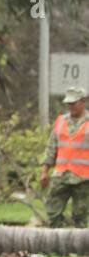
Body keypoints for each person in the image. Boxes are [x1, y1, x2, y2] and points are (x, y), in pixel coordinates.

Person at [42, 87, 89, 228]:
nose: (70, 106)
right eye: (68, 103)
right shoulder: (61, 121)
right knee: (52, 211)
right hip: (61, 175)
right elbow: (51, 148)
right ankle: (55, 245)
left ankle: (80, 247)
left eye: (73, 103)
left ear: (83, 102)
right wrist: (45, 171)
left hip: (83, 178)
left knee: (80, 216)